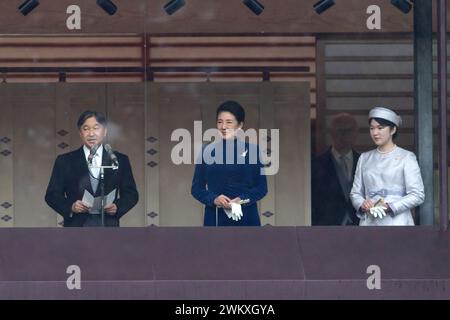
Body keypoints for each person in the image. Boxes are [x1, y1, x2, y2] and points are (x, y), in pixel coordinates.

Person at [45, 110, 139, 227]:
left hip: (108, 227)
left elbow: (131, 194)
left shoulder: (119, 160)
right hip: (76, 228)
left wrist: (117, 207)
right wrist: (71, 206)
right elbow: (52, 195)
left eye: (96, 128)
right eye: (86, 129)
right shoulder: (65, 161)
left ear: (104, 132)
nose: (91, 133)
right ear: (80, 133)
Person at [191, 100, 268, 226]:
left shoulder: (253, 151)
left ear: (240, 125)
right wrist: (214, 199)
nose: (223, 127)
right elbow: (196, 188)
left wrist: (241, 200)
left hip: (246, 217)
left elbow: (262, 188)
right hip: (215, 217)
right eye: (220, 122)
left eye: (229, 122)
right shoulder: (207, 151)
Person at [350, 106, 425, 226]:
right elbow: (355, 193)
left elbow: (417, 194)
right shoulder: (364, 158)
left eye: (380, 128)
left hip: (398, 222)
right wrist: (362, 204)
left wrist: (390, 207)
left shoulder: (406, 157)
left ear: (393, 130)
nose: (375, 133)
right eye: (372, 128)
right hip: (369, 222)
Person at [311, 113, 360, 225]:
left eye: (349, 130)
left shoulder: (364, 163)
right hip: (327, 227)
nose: (344, 135)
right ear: (331, 133)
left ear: (356, 133)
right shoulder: (316, 165)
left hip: (360, 226)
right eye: (340, 130)